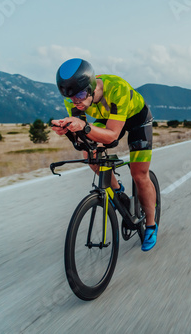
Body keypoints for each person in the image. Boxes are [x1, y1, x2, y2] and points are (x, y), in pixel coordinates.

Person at [51, 58, 157, 251]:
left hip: (137, 120)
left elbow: (112, 136)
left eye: (82, 95)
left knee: (139, 175)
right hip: (109, 118)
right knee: (89, 151)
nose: (78, 102)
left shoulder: (117, 89)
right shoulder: (74, 98)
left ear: (91, 87)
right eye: (71, 98)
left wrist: (84, 126)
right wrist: (68, 130)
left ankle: (150, 225)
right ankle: (117, 191)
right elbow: (81, 133)